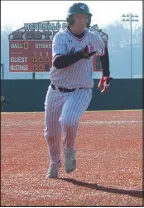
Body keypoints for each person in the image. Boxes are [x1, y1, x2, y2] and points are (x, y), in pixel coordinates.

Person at [44, 2, 112, 178]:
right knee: (51, 133)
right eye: (78, 17)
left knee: (68, 120)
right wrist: (83, 53)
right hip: (56, 90)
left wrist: (106, 74)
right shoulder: (60, 37)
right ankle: (54, 162)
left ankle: (69, 151)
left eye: (85, 17)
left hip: (81, 90)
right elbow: (58, 63)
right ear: (70, 19)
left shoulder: (92, 36)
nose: (82, 20)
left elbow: (103, 51)